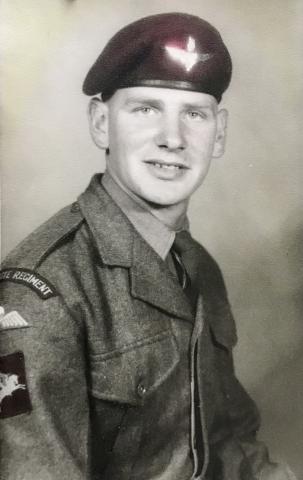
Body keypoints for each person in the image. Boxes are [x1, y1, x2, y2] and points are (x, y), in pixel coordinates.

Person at [0, 12, 297, 480]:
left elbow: (227, 443)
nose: (173, 139)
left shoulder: (198, 267)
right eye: (145, 109)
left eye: (193, 114)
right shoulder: (43, 293)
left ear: (218, 133)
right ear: (101, 123)